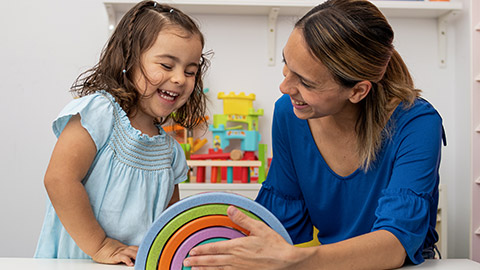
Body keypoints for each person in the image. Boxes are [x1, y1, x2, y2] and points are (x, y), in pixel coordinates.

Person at [183, 0, 445, 269]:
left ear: (357, 91)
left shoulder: (417, 124)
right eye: (287, 66)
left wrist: (297, 259)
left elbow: (394, 245)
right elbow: (281, 226)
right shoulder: (289, 114)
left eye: (306, 82)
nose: (284, 87)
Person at [34, 1, 209, 266]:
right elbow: (59, 180)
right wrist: (100, 245)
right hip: (77, 261)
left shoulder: (170, 152)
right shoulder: (99, 113)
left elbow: (169, 223)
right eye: (166, 65)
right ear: (129, 60)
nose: (179, 79)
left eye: (190, 71)